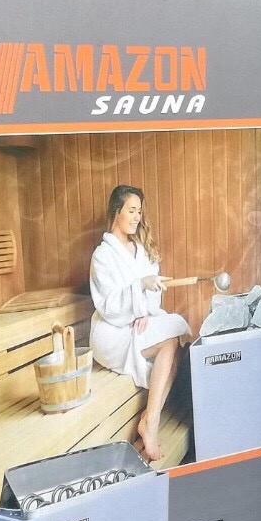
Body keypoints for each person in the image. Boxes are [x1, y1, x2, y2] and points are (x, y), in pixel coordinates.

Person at [89, 185, 189, 463]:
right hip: (111, 332)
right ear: (116, 211)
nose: (137, 217)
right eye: (131, 211)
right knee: (169, 342)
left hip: (138, 323)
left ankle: (149, 420)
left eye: (139, 212)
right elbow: (108, 305)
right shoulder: (102, 256)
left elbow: (150, 294)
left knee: (175, 337)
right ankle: (151, 423)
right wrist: (138, 289)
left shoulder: (140, 250)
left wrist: (144, 308)